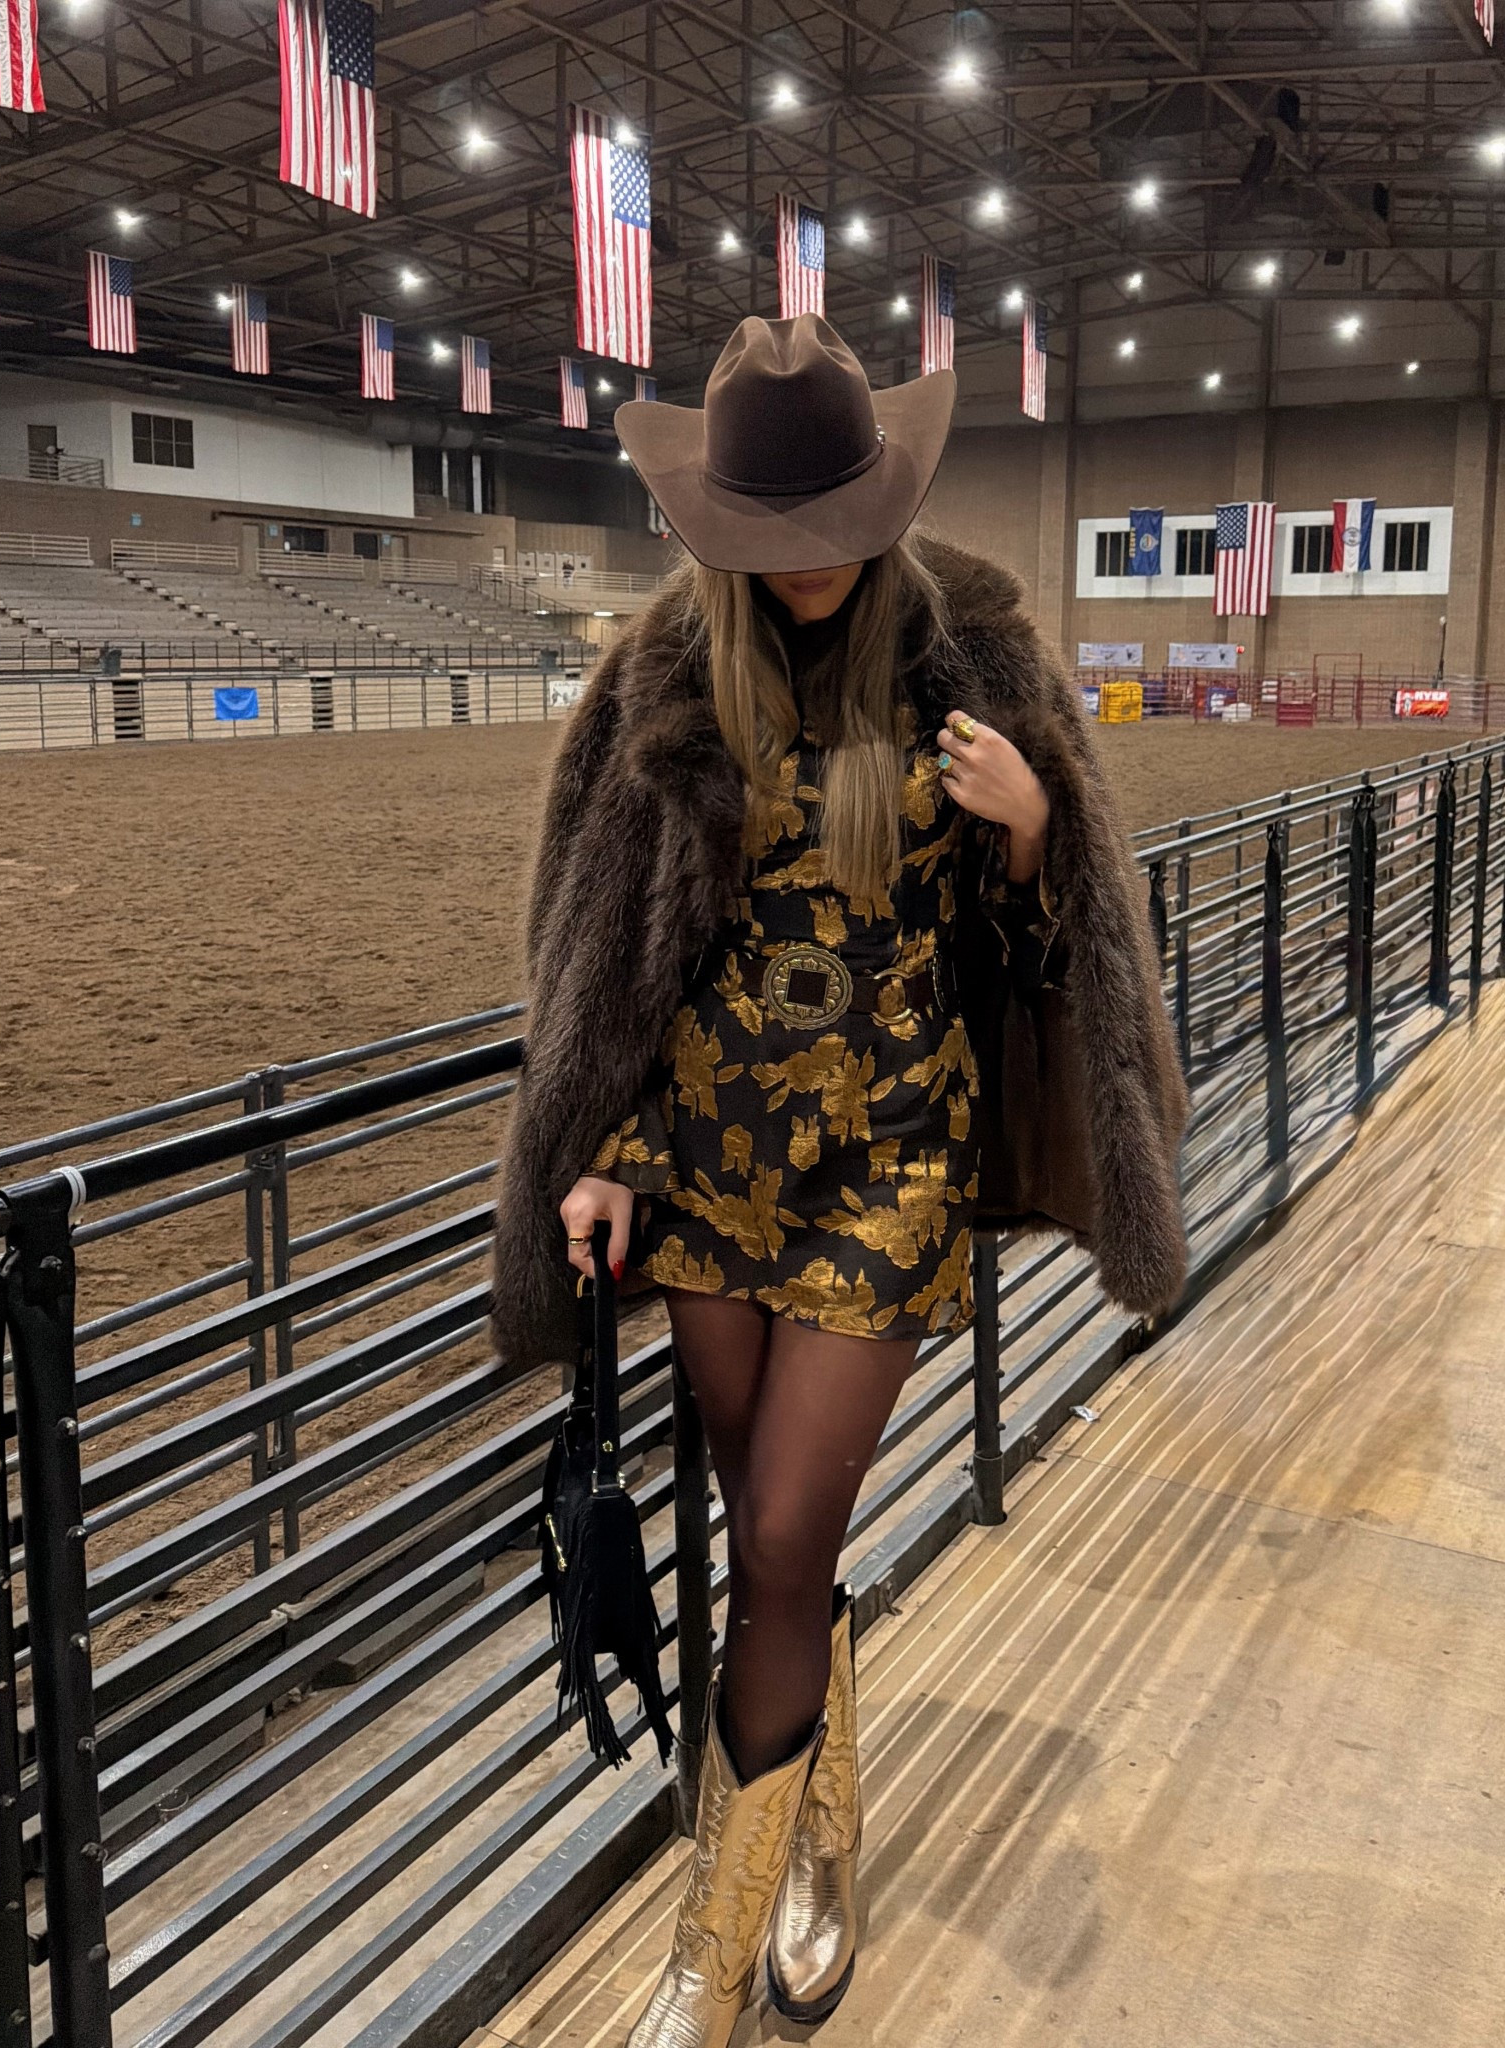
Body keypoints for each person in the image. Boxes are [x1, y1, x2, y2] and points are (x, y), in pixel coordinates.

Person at [492, 313, 1189, 2046]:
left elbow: (1052, 968)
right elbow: (606, 967)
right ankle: (819, 1850)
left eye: (827, 534)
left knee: (789, 1535)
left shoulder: (979, 658)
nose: (802, 571)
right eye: (766, 542)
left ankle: (700, 1968)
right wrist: (603, 1158)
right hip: (711, 1170)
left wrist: (1035, 826)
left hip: (893, 1167)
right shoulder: (665, 672)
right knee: (765, 1541)